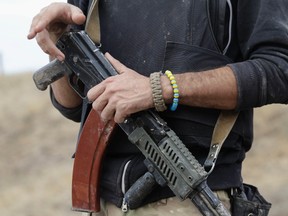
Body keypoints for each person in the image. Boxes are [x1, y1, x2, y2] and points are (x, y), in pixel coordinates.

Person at [28, 0, 288, 215]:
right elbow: (73, 107)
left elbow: (279, 70)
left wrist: (161, 88)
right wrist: (59, 44)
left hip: (186, 201)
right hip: (102, 203)